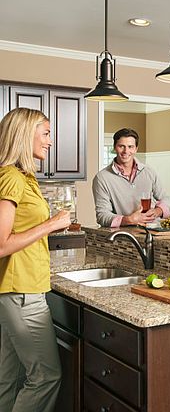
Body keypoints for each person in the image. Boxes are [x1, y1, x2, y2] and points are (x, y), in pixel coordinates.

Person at [0, 108, 71, 412]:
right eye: (45, 133)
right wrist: (51, 225)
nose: (50, 141)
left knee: (10, 377)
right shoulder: (12, 178)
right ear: (23, 135)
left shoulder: (22, 176)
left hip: (17, 290)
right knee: (46, 376)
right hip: (22, 292)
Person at [92, 128, 170, 227]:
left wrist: (158, 211)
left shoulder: (149, 171)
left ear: (136, 149)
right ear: (115, 147)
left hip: (154, 230)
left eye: (130, 147)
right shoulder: (102, 178)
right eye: (121, 146)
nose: (126, 151)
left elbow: (165, 199)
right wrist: (129, 220)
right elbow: (102, 215)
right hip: (123, 234)